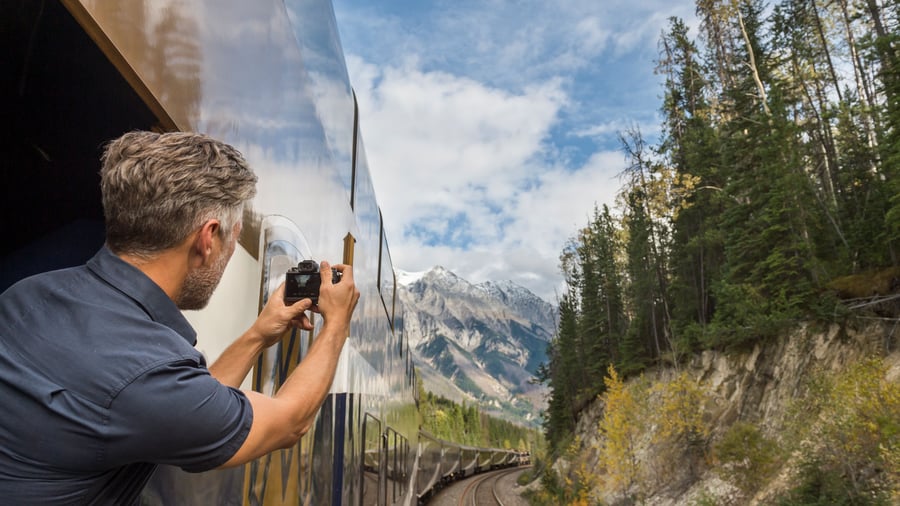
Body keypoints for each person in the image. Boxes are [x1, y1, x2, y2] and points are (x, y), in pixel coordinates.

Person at [0, 131, 360, 505]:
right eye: (233, 239)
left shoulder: (27, 294)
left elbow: (185, 405)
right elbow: (289, 422)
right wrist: (336, 323)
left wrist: (258, 334)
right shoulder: (147, 370)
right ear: (208, 238)